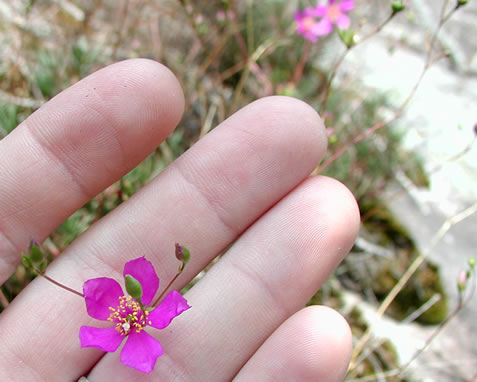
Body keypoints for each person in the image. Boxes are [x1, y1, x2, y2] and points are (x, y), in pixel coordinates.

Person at [0, 59, 360, 381]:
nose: (129, 315)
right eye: (129, 313)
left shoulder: (148, 314)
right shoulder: (113, 319)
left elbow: (166, 307)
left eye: (131, 313)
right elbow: (99, 316)